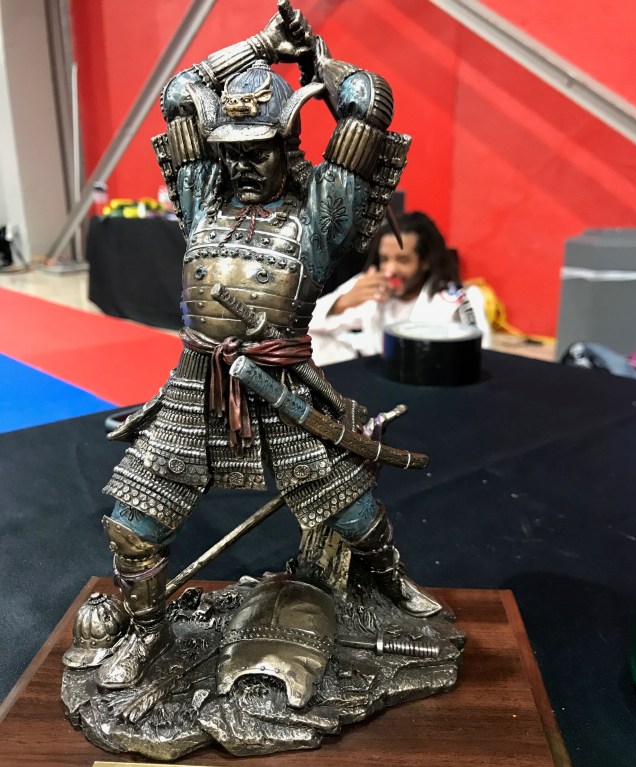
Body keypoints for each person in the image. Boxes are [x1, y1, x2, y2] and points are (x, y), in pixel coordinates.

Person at [96, 2, 441, 691]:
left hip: (282, 388)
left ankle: (390, 579)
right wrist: (261, 43)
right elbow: (179, 93)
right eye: (232, 150)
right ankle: (146, 632)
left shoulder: (320, 214)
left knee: (352, 508)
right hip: (196, 385)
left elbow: (368, 102)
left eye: (258, 149)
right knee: (133, 525)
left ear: (288, 143)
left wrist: (316, 63)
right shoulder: (202, 197)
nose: (242, 163)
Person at [310, 212, 492, 364]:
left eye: (402, 260)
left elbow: (481, 354)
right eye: (385, 259)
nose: (390, 271)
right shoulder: (370, 284)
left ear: (426, 261)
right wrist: (342, 303)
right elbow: (304, 324)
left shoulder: (456, 298)